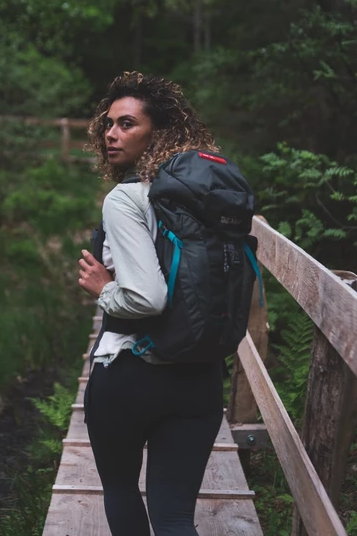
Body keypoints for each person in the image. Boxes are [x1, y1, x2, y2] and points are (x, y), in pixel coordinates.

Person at [76, 71, 224, 536]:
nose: (111, 134)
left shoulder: (126, 197)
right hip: (199, 376)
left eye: (125, 124)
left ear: (158, 133)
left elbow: (147, 297)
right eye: (108, 124)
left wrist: (103, 289)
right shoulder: (207, 197)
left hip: (130, 374)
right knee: (176, 517)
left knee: (121, 492)